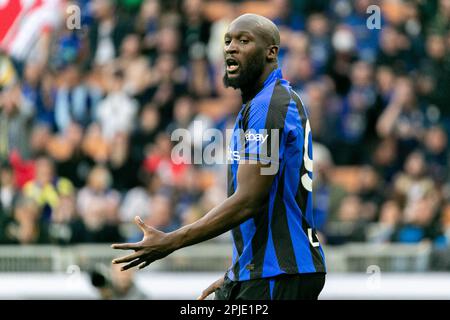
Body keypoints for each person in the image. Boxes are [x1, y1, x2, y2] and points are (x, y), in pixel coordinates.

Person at [112, 13, 326, 300]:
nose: (231, 47)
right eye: (227, 41)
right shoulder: (266, 103)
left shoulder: (269, 105)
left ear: (271, 52)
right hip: (269, 271)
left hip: (278, 273)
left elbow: (250, 198)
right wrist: (237, 273)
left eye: (244, 40)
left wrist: (171, 241)